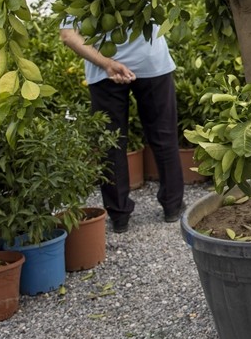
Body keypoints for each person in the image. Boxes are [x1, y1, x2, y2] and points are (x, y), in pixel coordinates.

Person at [60, 17, 185, 233]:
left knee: (111, 143)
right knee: (163, 136)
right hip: (152, 61)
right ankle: (172, 206)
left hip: (103, 69)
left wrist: (106, 63)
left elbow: (68, 35)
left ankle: (119, 215)